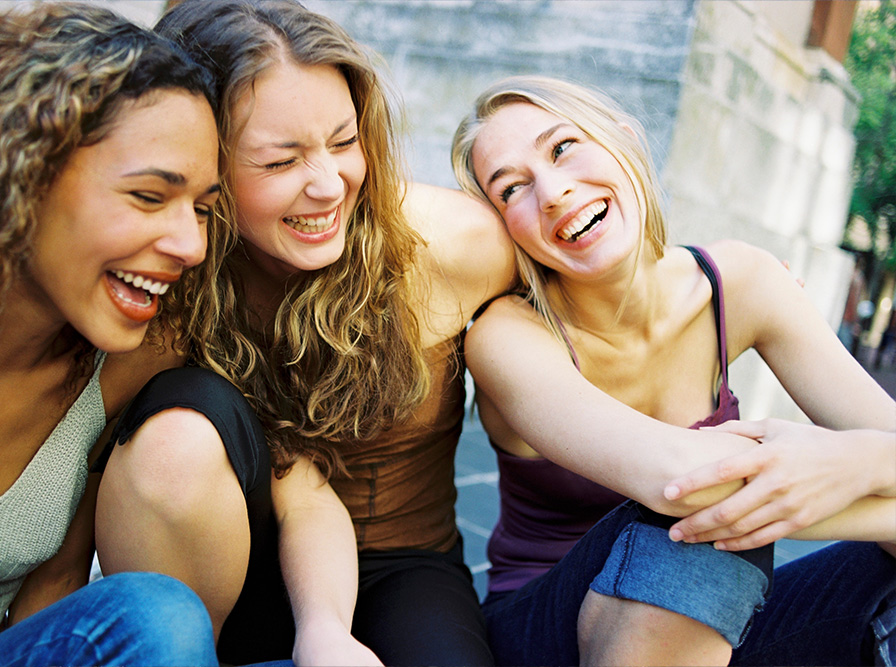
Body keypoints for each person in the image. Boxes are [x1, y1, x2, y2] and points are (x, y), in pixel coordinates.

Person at [93, 1, 516, 665]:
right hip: (227, 573)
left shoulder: (455, 244)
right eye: (280, 161)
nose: (328, 185)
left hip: (401, 566)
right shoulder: (156, 281)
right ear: (202, 164)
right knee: (178, 425)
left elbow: (603, 315)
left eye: (345, 143)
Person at [450, 74, 896, 666]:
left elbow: (881, 431)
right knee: (701, 532)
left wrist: (857, 460)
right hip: (543, 629)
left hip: (711, 627)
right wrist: (860, 467)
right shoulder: (505, 334)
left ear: (626, 142)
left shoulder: (741, 282)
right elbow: (681, 479)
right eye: (512, 190)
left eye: (563, 148)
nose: (553, 192)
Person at [0, 4, 226, 666]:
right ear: (22, 173)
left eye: (202, 207)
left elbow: (53, 599)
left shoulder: (125, 358)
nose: (191, 244)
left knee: (159, 618)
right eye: (148, 196)